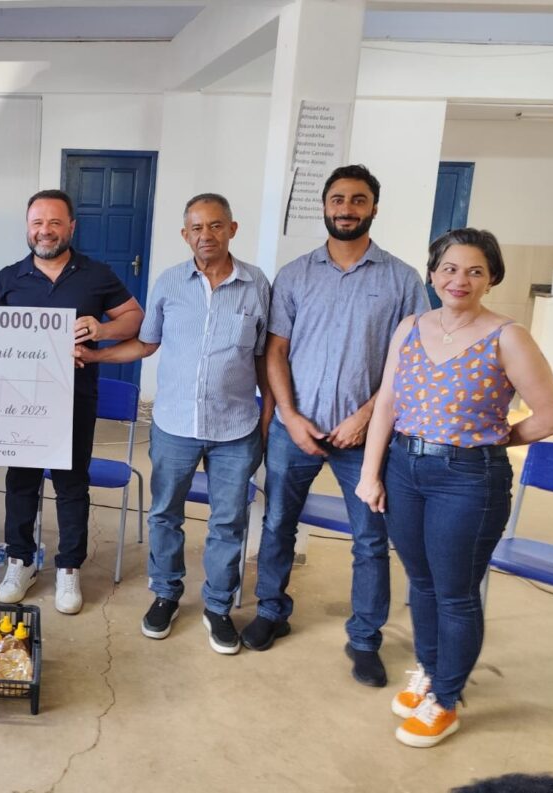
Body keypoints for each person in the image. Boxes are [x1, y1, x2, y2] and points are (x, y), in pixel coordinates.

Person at [357, 228, 553, 747]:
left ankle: (446, 700)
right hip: (405, 468)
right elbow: (387, 404)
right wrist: (370, 473)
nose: (459, 280)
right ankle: (430, 673)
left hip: (469, 481)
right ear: (432, 274)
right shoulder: (410, 327)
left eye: (475, 271)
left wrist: (494, 439)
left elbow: (552, 413)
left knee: (455, 593)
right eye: (449, 268)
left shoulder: (507, 336)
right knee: (421, 582)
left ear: (491, 279)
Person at [242, 164, 428, 687]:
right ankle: (271, 610)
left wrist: (367, 417)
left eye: (358, 200)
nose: (347, 209)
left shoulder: (402, 280)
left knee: (370, 539)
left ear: (374, 208)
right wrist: (290, 416)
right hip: (295, 431)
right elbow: (275, 352)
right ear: (325, 206)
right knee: (278, 524)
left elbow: (410, 363)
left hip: (366, 438)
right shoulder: (295, 274)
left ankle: (365, 639)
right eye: (338, 199)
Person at [77, 193, 270, 651]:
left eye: (216, 225)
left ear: (232, 229)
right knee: (165, 514)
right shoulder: (168, 282)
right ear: (185, 235)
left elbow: (266, 357)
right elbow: (146, 345)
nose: (207, 235)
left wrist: (268, 418)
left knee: (228, 522)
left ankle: (218, 607)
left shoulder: (257, 285)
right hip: (174, 426)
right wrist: (95, 355)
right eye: (197, 228)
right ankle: (165, 593)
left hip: (235, 429)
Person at [0, 189, 144, 615]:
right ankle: (20, 561)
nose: (45, 231)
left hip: (75, 398)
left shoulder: (96, 274)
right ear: (27, 228)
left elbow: (135, 317)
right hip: (20, 402)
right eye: (37, 223)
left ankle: (68, 567)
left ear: (71, 227)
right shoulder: (8, 278)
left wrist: (101, 330)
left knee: (72, 484)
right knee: (20, 481)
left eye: (55, 223)